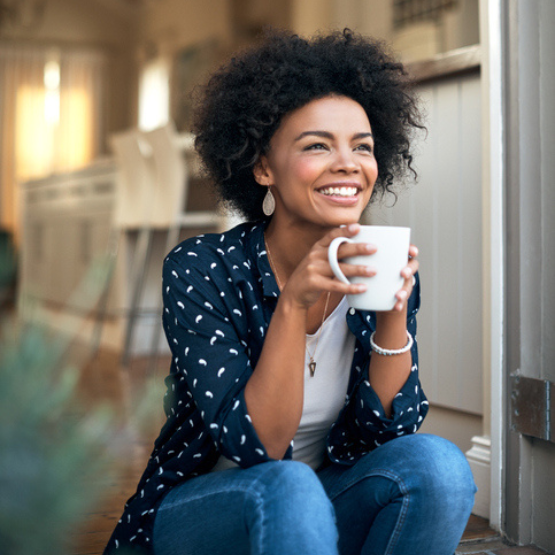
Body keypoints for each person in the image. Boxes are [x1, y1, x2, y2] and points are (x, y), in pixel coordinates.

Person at [104, 29, 476, 555]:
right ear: (262, 167)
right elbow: (260, 446)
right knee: (289, 485)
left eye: (362, 147)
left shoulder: (375, 267)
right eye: (317, 145)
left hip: (316, 508)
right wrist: (294, 305)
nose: (348, 163)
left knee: (438, 465)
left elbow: (382, 437)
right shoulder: (202, 269)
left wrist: (394, 315)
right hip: (211, 510)